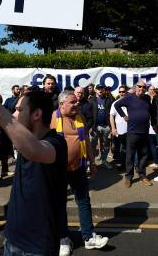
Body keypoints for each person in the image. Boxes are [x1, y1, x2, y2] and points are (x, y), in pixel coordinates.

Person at [0, 83, 69, 256]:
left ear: (37, 114)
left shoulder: (56, 143)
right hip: (11, 240)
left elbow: (35, 150)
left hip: (37, 248)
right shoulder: (23, 136)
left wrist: (0, 111)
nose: (14, 114)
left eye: (19, 110)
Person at [51, 90, 109, 255]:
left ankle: (89, 237)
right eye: (73, 102)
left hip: (79, 168)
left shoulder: (80, 117)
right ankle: (63, 239)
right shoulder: (52, 119)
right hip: (59, 170)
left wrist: (92, 161)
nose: (77, 104)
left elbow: (87, 142)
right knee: (60, 204)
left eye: (77, 102)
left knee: (83, 201)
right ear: (62, 104)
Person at [113, 81, 155, 188]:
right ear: (136, 87)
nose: (141, 88)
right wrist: (123, 116)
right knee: (130, 155)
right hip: (132, 132)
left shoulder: (146, 98)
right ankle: (128, 177)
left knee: (143, 155)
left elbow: (150, 110)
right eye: (139, 86)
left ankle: (142, 176)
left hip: (145, 131)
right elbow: (117, 105)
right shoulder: (129, 98)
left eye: (144, 87)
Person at [88, 85, 113, 169]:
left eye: (102, 89)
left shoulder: (108, 100)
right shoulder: (91, 100)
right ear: (95, 90)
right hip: (95, 127)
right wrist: (90, 126)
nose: (100, 90)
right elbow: (89, 115)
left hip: (106, 126)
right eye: (98, 89)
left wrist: (111, 126)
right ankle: (92, 163)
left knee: (106, 144)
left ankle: (104, 160)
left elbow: (112, 113)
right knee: (92, 145)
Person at [109, 86, 129, 169]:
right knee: (122, 148)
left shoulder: (130, 102)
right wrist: (113, 128)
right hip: (120, 130)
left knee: (131, 148)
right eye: (120, 92)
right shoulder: (115, 103)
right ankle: (124, 165)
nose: (121, 93)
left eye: (123, 91)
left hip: (131, 129)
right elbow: (111, 116)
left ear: (126, 92)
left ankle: (134, 165)